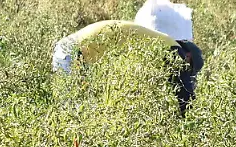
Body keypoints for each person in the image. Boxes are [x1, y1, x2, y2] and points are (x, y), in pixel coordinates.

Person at [52, 20, 205, 116]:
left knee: (80, 107)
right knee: (72, 111)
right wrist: (189, 121)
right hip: (73, 52)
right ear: (188, 56)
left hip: (69, 48)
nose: (185, 69)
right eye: (189, 67)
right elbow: (184, 93)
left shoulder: (159, 41)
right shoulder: (173, 49)